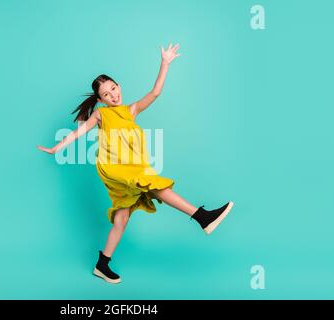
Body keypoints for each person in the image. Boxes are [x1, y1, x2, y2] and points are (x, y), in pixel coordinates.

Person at [37, 43, 234, 284]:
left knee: (121, 219)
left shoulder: (131, 110)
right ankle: (202, 216)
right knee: (152, 184)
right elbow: (79, 132)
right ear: (100, 100)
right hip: (113, 168)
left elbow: (155, 92)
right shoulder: (102, 115)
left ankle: (102, 264)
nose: (112, 95)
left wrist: (165, 63)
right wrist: (57, 147)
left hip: (132, 167)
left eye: (113, 89)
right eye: (106, 95)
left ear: (118, 85)